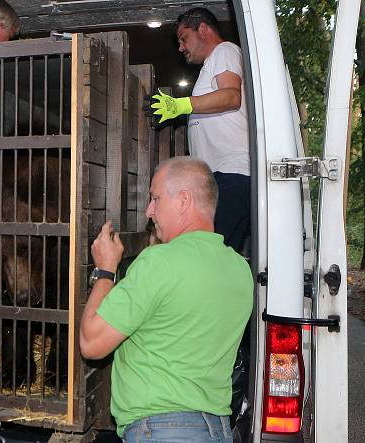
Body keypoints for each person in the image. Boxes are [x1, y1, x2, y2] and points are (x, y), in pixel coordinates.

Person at [79, 157, 252, 442]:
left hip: (163, 430)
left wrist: (106, 270)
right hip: (218, 430)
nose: (149, 211)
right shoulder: (239, 269)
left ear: (183, 200)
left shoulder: (158, 263)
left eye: (155, 198)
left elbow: (92, 343)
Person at [149, 7, 250, 253]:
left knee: (207, 256)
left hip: (232, 174)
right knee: (212, 256)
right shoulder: (210, 67)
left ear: (203, 29)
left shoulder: (224, 51)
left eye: (184, 38)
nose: (181, 47)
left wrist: (181, 105)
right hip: (222, 177)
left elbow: (231, 96)